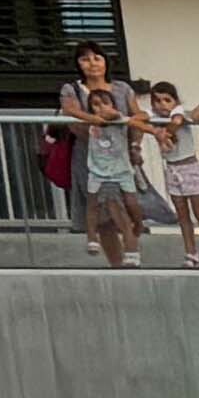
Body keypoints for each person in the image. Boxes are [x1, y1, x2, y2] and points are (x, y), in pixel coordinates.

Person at [58, 45, 147, 266]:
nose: (92, 63)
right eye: (85, 59)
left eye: (97, 58)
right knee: (101, 213)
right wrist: (94, 120)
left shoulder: (122, 88)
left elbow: (138, 116)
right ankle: (116, 263)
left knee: (128, 205)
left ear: (106, 61)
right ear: (78, 64)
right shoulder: (72, 89)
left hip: (121, 155)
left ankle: (132, 254)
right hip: (89, 157)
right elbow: (69, 111)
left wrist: (135, 145)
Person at [152, 80, 199, 268]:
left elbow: (178, 122)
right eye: (157, 100)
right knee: (182, 215)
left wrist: (165, 133)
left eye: (167, 100)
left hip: (189, 167)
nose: (162, 105)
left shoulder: (178, 113)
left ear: (175, 101)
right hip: (172, 168)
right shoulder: (154, 119)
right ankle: (191, 253)